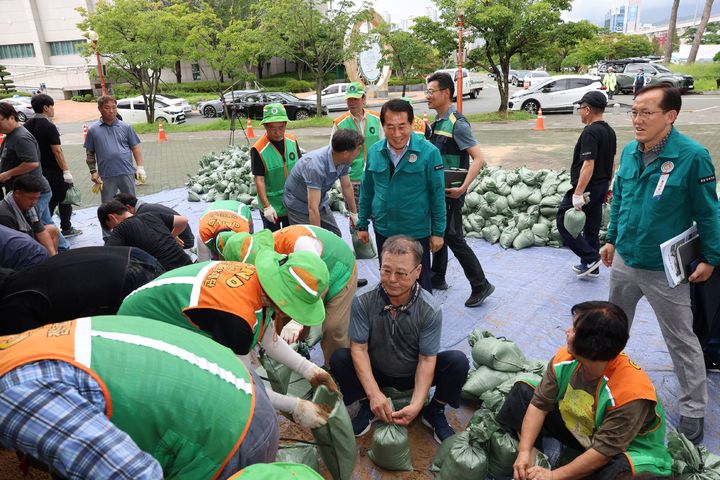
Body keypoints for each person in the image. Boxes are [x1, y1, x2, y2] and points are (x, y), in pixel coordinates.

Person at [0, 316, 278, 479]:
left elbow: (133, 474)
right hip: (234, 378)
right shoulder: (17, 346)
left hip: (227, 435)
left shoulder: (12, 395)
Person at [600, 84, 720, 444]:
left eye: (646, 113)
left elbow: (708, 212)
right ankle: (603, 390)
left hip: (664, 269)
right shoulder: (631, 152)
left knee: (681, 338)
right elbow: (620, 196)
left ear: (671, 116)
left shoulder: (692, 156)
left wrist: (711, 258)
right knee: (609, 329)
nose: (637, 120)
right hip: (625, 259)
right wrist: (610, 237)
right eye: (634, 112)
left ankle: (693, 410)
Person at [118, 251, 336, 430]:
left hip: (163, 305)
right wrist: (295, 406)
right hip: (141, 325)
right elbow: (243, 384)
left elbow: (269, 339)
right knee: (199, 388)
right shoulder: (237, 318)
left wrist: (308, 369)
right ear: (281, 296)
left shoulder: (259, 280)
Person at [496, 301, 673, 480]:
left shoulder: (629, 394)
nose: (567, 331)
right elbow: (539, 405)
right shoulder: (563, 359)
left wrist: (554, 476)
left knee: (617, 475)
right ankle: (538, 461)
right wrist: (524, 451)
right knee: (522, 391)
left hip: (623, 448)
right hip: (583, 429)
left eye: (574, 329)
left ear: (590, 346)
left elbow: (602, 452)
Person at [330, 236, 469, 443]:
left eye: (402, 273)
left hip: (412, 372)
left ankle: (434, 411)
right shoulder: (363, 300)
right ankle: (367, 405)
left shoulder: (429, 309)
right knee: (340, 358)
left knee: (458, 362)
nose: (392, 279)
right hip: (377, 370)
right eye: (386, 270)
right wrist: (374, 393)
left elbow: (427, 359)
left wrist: (417, 403)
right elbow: (359, 348)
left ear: (418, 273)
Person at [222, 225, 357, 367]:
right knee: (283, 316)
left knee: (333, 327)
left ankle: (336, 370)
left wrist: (298, 322)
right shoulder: (257, 255)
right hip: (298, 279)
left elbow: (320, 286)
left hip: (338, 270)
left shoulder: (300, 245)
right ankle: (296, 350)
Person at [358, 99, 446, 293]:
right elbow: (367, 190)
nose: (397, 134)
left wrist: (438, 232)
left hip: (416, 230)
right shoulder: (374, 152)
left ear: (411, 123)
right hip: (384, 229)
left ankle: (421, 320)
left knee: (419, 283)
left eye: (402, 127)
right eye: (390, 127)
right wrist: (362, 224)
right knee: (390, 279)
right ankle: (393, 318)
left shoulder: (429, 153)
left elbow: (437, 194)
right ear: (383, 126)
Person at [425, 72, 494, 306]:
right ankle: (438, 276)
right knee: (440, 232)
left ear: (446, 93)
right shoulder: (436, 123)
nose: (428, 96)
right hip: (440, 191)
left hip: (453, 192)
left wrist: (463, 187)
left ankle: (480, 284)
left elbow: (478, 158)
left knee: (454, 237)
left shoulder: (458, 124)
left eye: (431, 91)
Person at [0, 246, 164, 335]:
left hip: (128, 278)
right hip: (136, 255)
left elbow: (29, 347)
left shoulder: (13, 305)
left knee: (149, 334)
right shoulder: (27, 274)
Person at [556, 91, 616, 278]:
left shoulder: (591, 131)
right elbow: (612, 161)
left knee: (563, 222)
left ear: (588, 109)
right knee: (591, 226)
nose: (580, 112)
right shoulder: (609, 131)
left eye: (580, 108)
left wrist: (578, 193)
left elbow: (588, 164)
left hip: (588, 188)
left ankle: (591, 258)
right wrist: (609, 185)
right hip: (601, 186)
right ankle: (591, 266)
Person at [84, 95, 146, 238]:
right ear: (99, 109)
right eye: (107, 108)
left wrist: (140, 167)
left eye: (113, 107)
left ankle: (134, 231)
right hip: (106, 175)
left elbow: (135, 148)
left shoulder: (125, 127)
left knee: (130, 204)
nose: (111, 111)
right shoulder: (93, 130)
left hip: (126, 172)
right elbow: (90, 153)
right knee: (107, 207)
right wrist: (93, 172)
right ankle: (108, 236)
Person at [283, 128, 361, 237]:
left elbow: (347, 186)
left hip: (319, 201)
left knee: (335, 236)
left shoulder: (343, 160)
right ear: (346, 153)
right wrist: (317, 238)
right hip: (298, 204)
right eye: (358, 149)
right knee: (307, 241)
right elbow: (312, 208)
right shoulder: (315, 166)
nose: (359, 152)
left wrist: (354, 214)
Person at [24, 93, 81, 238]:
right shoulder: (49, 126)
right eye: (52, 107)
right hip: (54, 170)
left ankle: (43, 227)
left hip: (36, 170)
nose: (53, 110)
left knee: (48, 198)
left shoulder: (26, 126)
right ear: (45, 108)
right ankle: (66, 228)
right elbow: (57, 151)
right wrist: (66, 171)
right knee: (64, 198)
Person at [330, 82, 383, 215]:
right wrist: (338, 180)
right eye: (349, 99)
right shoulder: (340, 123)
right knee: (356, 221)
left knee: (379, 217)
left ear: (363, 99)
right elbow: (333, 153)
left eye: (355, 99)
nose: (352, 103)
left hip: (375, 178)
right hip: (352, 180)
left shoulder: (377, 119)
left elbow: (384, 146)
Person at [0, 103, 54, 230]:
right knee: (45, 223)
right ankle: (62, 247)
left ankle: (57, 248)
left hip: (32, 192)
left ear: (12, 117)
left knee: (34, 226)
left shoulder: (21, 137)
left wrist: (6, 174)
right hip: (29, 189)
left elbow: (32, 163)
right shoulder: (11, 135)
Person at [97, 200, 192, 271]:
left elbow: (107, 256)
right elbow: (183, 220)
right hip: (187, 264)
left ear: (112, 217)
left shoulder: (121, 229)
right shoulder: (151, 215)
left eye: (112, 227)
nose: (114, 230)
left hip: (168, 274)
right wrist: (172, 236)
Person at [252, 103, 302, 231]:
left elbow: (301, 168)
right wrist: (266, 206)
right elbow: (259, 180)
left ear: (285, 124)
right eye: (272, 128)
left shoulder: (292, 141)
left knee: (291, 237)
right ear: (265, 126)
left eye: (281, 127)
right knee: (272, 240)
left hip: (291, 202)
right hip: (271, 204)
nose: (277, 132)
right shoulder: (259, 149)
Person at [0, 174, 59, 256]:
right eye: (31, 198)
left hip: (25, 238)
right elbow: (12, 245)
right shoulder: (4, 215)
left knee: (52, 230)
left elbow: (41, 232)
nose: (34, 202)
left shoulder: (30, 207)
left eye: (37, 198)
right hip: (12, 248)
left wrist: (53, 258)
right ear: (17, 193)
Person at [113, 192, 195, 249]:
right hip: (186, 239)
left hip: (183, 243)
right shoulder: (145, 207)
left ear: (128, 208)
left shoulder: (142, 214)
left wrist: (171, 237)